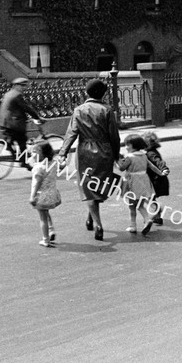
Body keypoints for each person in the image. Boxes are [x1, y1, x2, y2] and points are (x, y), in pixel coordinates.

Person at [57, 79, 121, 242]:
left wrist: (63, 153)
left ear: (86, 93)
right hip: (104, 151)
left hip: (85, 152)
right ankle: (91, 217)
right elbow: (114, 135)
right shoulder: (107, 110)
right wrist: (116, 155)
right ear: (103, 93)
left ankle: (98, 224)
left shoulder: (79, 110)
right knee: (99, 186)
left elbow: (71, 133)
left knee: (88, 187)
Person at [117, 134, 165, 235]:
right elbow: (152, 166)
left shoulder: (130, 157)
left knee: (131, 205)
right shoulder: (143, 155)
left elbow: (121, 168)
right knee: (139, 204)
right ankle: (147, 219)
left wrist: (117, 159)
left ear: (134, 146)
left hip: (131, 182)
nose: (126, 147)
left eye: (128, 145)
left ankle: (133, 226)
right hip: (143, 181)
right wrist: (161, 173)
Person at [0, 77, 44, 170]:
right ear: (16, 86)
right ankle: (24, 162)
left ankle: (10, 148)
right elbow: (26, 108)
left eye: (25, 86)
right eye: (22, 86)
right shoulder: (17, 95)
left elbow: (13, 109)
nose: (24, 88)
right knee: (22, 140)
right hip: (12, 124)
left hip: (3, 122)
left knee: (16, 140)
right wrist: (37, 117)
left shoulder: (8, 93)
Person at [29, 141, 62, 247]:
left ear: (42, 153)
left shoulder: (39, 168)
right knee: (46, 213)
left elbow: (37, 183)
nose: (32, 154)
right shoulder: (53, 163)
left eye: (35, 152)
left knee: (42, 218)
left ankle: (45, 240)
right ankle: (51, 230)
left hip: (41, 196)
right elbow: (60, 167)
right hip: (51, 194)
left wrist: (32, 196)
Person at [142, 131, 170, 226]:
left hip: (155, 179)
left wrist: (164, 169)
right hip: (153, 178)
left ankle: (156, 210)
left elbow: (159, 162)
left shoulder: (151, 154)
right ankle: (157, 217)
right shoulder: (150, 152)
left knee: (147, 197)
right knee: (150, 197)